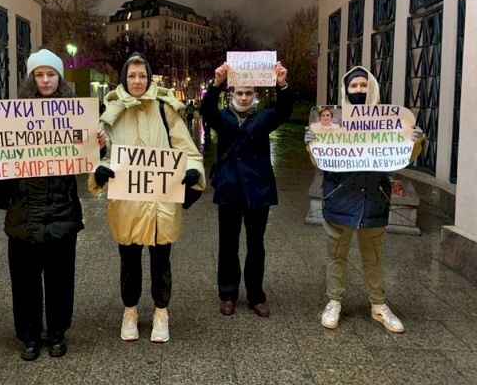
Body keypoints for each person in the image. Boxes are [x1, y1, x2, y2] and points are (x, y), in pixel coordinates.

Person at [0, 49, 106, 361]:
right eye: (39, 74)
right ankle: (29, 336)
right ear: (31, 78)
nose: (46, 80)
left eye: (51, 74)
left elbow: (88, 161)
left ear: (59, 78)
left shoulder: (76, 115)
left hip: (62, 211)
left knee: (60, 280)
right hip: (23, 212)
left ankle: (58, 332)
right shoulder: (10, 118)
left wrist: (100, 144)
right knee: (25, 282)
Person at [89, 52, 205, 343]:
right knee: (128, 261)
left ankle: (161, 311)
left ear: (149, 78)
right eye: (132, 76)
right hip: (126, 203)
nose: (137, 81)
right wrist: (98, 171)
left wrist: (192, 171)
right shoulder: (111, 113)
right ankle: (129, 310)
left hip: (160, 203)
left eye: (142, 75)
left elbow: (187, 149)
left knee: (161, 260)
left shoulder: (166, 109)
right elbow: (100, 153)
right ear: (124, 79)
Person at [305, 66, 423, 333]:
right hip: (340, 197)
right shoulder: (331, 121)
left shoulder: (389, 123)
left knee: (375, 257)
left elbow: (405, 156)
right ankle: (334, 301)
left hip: (373, 199)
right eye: (353, 86)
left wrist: (414, 140)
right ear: (346, 90)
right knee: (336, 255)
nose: (358, 90)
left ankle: (378, 305)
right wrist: (311, 142)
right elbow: (318, 159)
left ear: (372, 89)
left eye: (363, 85)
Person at [201, 61, 291, 317]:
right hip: (230, 188)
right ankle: (228, 294)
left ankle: (256, 295)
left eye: (248, 93)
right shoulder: (223, 117)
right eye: (239, 93)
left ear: (255, 95)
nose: (243, 97)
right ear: (232, 94)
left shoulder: (263, 118)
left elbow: (284, 110)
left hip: (257, 190)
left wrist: (282, 84)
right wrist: (216, 84)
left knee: (256, 245)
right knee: (227, 244)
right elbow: (207, 110)